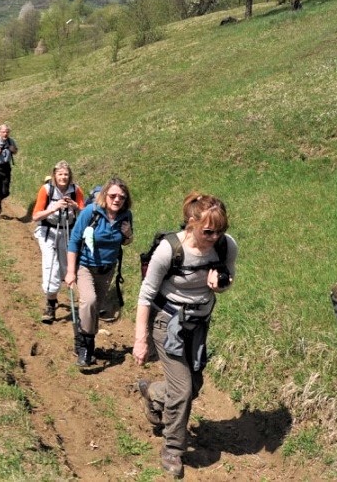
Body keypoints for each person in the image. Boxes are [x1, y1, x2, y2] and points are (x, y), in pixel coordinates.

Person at [132, 192, 237, 479]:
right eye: (208, 231)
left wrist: (221, 285)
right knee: (182, 390)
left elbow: (229, 276)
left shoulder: (226, 246)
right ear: (191, 223)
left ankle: (152, 393)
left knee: (194, 385)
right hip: (167, 324)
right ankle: (173, 450)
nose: (215, 236)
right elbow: (146, 294)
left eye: (220, 230)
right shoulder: (169, 250)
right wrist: (140, 339)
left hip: (199, 324)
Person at [65, 176, 133, 368]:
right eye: (113, 195)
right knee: (89, 301)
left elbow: (126, 241)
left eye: (121, 196)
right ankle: (86, 348)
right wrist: (71, 271)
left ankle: (83, 339)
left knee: (94, 309)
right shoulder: (90, 212)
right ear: (105, 195)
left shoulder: (126, 216)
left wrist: (128, 236)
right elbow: (74, 241)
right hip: (85, 266)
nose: (117, 199)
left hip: (107, 269)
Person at [31, 161, 85, 323]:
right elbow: (35, 216)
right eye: (60, 174)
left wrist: (75, 206)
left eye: (66, 174)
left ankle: (54, 298)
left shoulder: (76, 190)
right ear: (54, 175)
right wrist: (54, 208)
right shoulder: (46, 190)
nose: (63, 177)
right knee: (51, 266)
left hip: (68, 232)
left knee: (65, 268)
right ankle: (50, 305)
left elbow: (85, 213)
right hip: (48, 232)